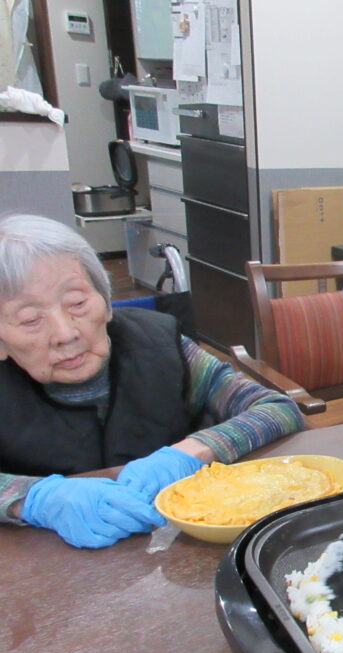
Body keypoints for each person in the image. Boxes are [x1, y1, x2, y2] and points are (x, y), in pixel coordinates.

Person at [0, 214, 305, 548]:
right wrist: (31, 500)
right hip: (43, 570)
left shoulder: (160, 345)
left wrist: (189, 453)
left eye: (77, 303)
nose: (65, 333)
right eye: (30, 319)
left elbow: (276, 408)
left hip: (170, 555)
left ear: (106, 302)